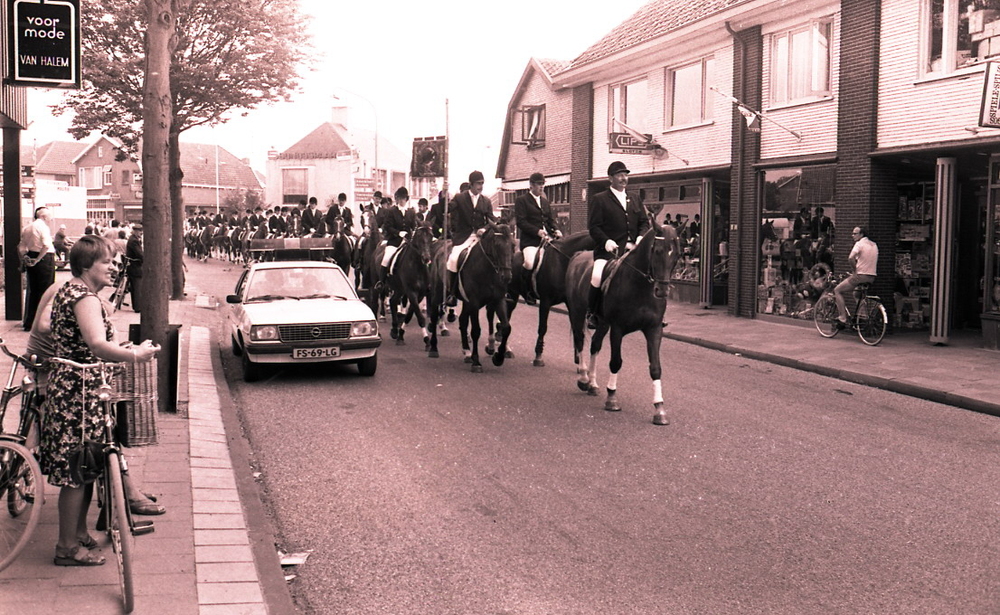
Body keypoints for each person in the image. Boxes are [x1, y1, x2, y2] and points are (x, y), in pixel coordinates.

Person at [41, 236, 161, 566]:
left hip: (75, 387)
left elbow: (85, 344)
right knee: (78, 469)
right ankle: (66, 547)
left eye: (114, 261)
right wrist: (135, 355)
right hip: (79, 393)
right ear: (85, 265)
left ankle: (78, 533)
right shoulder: (85, 298)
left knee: (85, 466)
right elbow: (96, 344)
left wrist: (119, 350)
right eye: (106, 262)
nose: (114, 266)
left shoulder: (72, 290)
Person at [586, 161, 650, 329]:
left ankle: (654, 313)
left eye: (626, 175)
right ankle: (592, 313)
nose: (624, 178)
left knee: (652, 273)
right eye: (620, 175)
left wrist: (641, 237)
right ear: (610, 178)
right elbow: (594, 227)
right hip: (609, 251)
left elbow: (644, 222)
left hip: (633, 250)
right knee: (597, 276)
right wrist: (606, 241)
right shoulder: (599, 199)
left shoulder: (634, 198)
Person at [444, 172, 497, 306]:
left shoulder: (486, 201)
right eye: (478, 183)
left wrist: (484, 229)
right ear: (471, 184)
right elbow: (447, 208)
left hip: (481, 237)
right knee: (453, 259)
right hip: (464, 237)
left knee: (496, 256)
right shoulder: (460, 198)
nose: (481, 186)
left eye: (482, 183)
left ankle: (498, 289)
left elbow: (491, 220)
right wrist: (444, 195)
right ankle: (452, 293)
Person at [514, 172, 561, 305]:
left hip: (548, 239)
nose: (541, 187)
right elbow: (521, 222)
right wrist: (537, 231)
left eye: (542, 184)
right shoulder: (522, 200)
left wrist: (556, 229)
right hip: (531, 241)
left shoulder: (545, 201)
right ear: (531, 185)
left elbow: (550, 220)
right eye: (539, 184)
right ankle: (527, 290)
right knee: (529, 263)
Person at [19, 206, 57, 331]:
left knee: (33, 290)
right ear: (44, 217)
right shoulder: (43, 227)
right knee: (45, 291)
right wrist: (38, 259)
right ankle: (41, 323)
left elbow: (21, 247)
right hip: (45, 259)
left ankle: (29, 322)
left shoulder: (27, 227)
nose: (51, 219)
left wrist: (25, 258)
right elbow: (46, 245)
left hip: (31, 255)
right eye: (49, 216)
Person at [834, 226, 878, 329]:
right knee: (856, 293)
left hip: (860, 276)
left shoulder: (859, 244)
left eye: (855, 233)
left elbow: (850, 258)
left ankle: (842, 318)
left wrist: (854, 271)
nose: (852, 235)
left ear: (861, 234)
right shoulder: (874, 245)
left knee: (837, 290)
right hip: (871, 277)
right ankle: (862, 316)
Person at [376, 186, 412, 291]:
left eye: (403, 198)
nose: (402, 201)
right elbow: (388, 226)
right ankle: (381, 282)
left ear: (406, 199)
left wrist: (413, 232)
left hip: (408, 242)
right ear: (397, 199)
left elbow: (413, 225)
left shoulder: (411, 212)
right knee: (386, 258)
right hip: (394, 241)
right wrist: (398, 233)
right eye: (400, 198)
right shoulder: (391, 211)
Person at [125, 224, 144, 313]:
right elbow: (139, 254)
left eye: (141, 231)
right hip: (135, 266)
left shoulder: (134, 239)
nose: (141, 233)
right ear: (135, 231)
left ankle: (137, 305)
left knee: (136, 286)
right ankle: (138, 306)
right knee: (137, 286)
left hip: (133, 265)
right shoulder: (134, 241)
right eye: (139, 231)